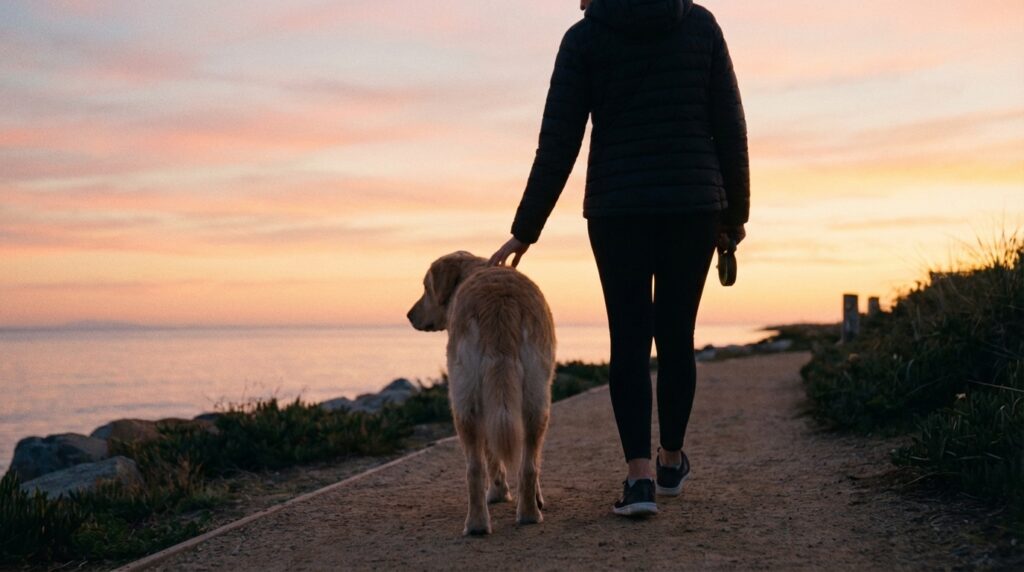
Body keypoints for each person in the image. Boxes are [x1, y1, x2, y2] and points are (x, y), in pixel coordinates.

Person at [488, 0, 749, 517]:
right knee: (677, 335)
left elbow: (558, 141)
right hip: (693, 204)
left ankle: (639, 481)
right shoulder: (699, 24)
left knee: (628, 338)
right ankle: (671, 462)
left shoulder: (584, 38)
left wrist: (525, 231)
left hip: (618, 209)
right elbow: (730, 125)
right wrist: (733, 214)